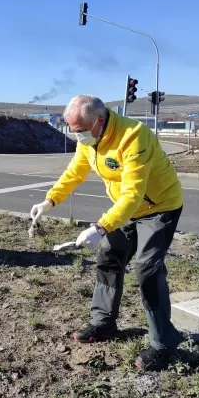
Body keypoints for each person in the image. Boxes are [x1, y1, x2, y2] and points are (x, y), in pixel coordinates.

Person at [30, 95, 184, 371]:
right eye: (72, 130)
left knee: (147, 270)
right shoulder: (88, 140)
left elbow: (133, 194)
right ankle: (103, 323)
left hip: (159, 208)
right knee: (109, 256)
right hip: (126, 210)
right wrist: (50, 201)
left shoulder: (135, 137)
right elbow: (74, 173)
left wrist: (99, 227)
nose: (77, 137)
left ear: (99, 121)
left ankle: (163, 343)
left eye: (80, 131)